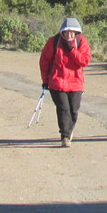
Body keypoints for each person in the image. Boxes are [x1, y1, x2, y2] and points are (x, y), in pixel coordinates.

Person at [39, 17, 91, 147]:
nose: (69, 35)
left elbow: (84, 61)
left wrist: (72, 49)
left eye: (72, 32)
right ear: (62, 32)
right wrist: (45, 81)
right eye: (67, 32)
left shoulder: (81, 42)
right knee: (63, 109)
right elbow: (44, 62)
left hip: (76, 83)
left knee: (74, 110)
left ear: (77, 33)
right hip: (57, 82)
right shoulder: (53, 42)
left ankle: (68, 131)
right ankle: (65, 136)